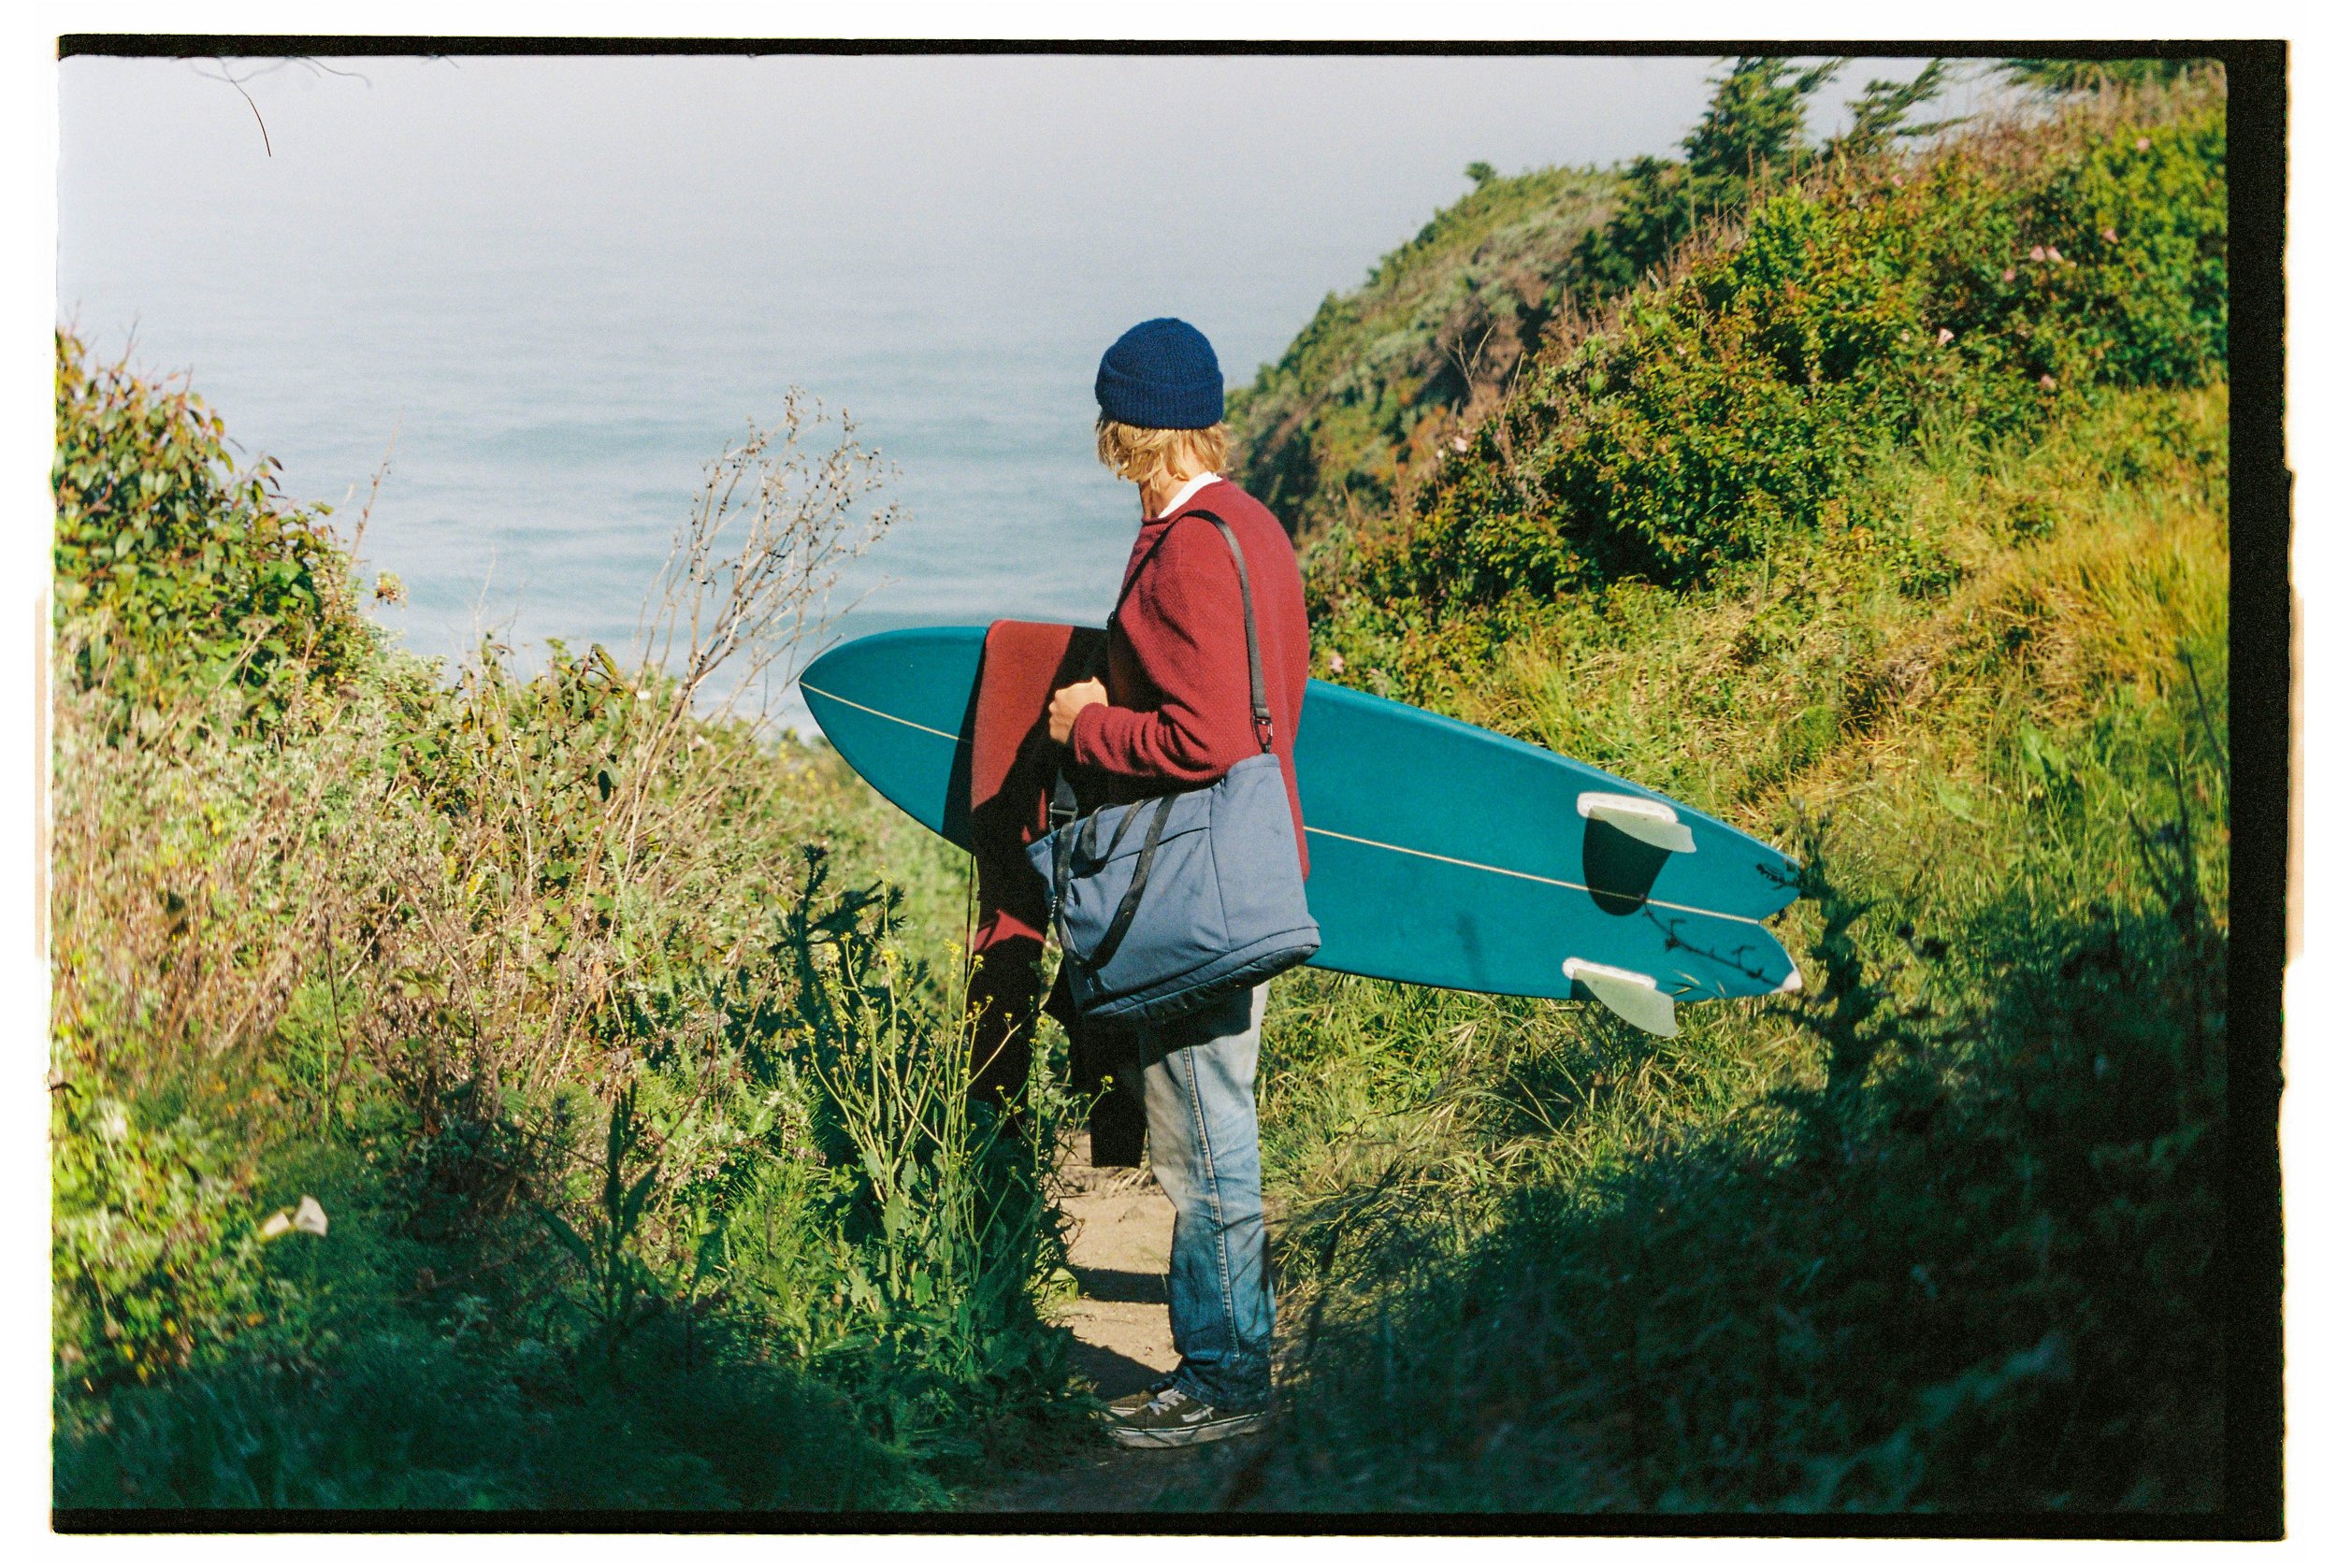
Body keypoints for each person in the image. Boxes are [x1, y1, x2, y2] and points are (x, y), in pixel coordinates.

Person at [1045, 317, 1311, 1449]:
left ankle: (1223, 1386)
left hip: (1198, 890)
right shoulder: (1249, 525)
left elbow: (1204, 739)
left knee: (1204, 1144)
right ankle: (1220, 1365)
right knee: (1212, 1131)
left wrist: (1090, 725)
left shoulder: (1191, 546)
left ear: (1124, 434)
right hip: (1243, 869)